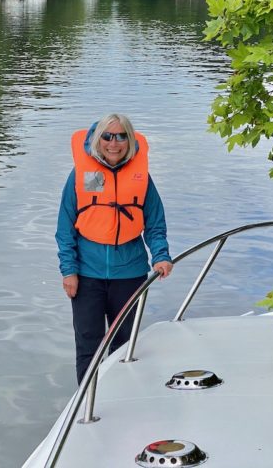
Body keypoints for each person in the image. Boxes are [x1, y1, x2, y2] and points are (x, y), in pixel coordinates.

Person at [56, 113, 174, 384]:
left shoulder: (142, 177)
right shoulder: (81, 175)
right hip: (87, 274)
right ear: (98, 141)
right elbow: (65, 228)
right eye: (108, 136)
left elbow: (155, 223)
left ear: (130, 140)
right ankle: (86, 404)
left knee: (124, 346)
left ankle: (120, 395)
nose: (114, 143)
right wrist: (69, 270)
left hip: (129, 273)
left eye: (121, 136)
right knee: (89, 344)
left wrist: (161, 255)